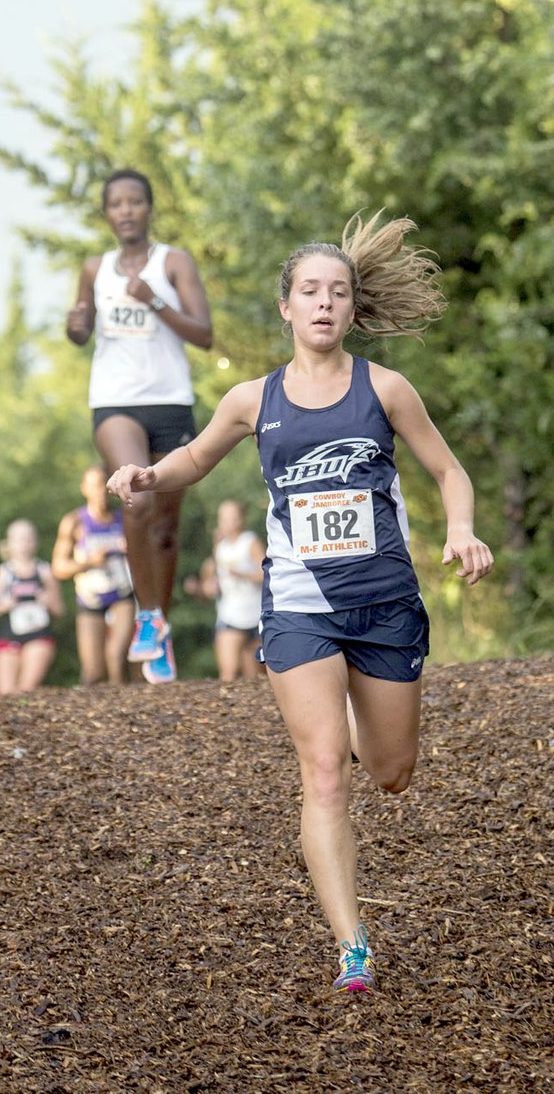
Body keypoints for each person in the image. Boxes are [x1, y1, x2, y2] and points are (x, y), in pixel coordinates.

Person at [106, 211, 494, 995]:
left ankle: (358, 721)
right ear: (286, 307)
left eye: (338, 293)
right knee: (323, 772)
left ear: (354, 310)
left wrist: (462, 531)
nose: (323, 304)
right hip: (298, 607)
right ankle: (353, 945)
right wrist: (150, 475)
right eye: (310, 291)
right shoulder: (254, 399)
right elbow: (194, 457)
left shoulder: (387, 389)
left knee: (391, 772)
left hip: (385, 604)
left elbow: (450, 473)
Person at [66, 167, 213, 684]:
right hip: (115, 403)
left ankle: (158, 620)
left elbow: (204, 334)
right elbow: (80, 326)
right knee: (138, 496)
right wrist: (76, 325)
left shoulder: (173, 262)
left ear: (149, 208)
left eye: (135, 202)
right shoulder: (94, 268)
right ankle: (146, 619)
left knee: (166, 530)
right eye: (116, 204)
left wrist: (153, 299)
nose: (125, 211)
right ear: (107, 213)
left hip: (171, 403)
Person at [51, 464, 135, 685]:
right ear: (84, 489)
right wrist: (89, 562)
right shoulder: (74, 522)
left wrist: (133, 550)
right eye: (94, 486)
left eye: (103, 486)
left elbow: (148, 559)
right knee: (93, 673)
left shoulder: (125, 518)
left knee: (116, 657)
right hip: (91, 600)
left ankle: (125, 711)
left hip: (122, 596)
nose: (100, 492)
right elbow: (58, 567)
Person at [0, 519, 64, 695]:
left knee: (26, 689)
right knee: (5, 693)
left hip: (39, 636)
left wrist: (48, 602)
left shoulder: (45, 571)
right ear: (9, 543)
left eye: (28, 539)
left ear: (36, 542)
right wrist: (2, 606)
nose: (24, 544)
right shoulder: (1, 573)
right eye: (19, 539)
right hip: (9, 637)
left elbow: (60, 610)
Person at [184, 499, 266, 681]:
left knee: (255, 677)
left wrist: (242, 575)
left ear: (240, 519)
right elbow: (212, 586)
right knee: (229, 673)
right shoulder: (219, 548)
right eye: (223, 518)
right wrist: (199, 588)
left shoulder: (250, 541)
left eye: (231, 517)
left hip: (255, 616)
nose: (226, 522)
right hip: (229, 616)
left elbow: (266, 573)